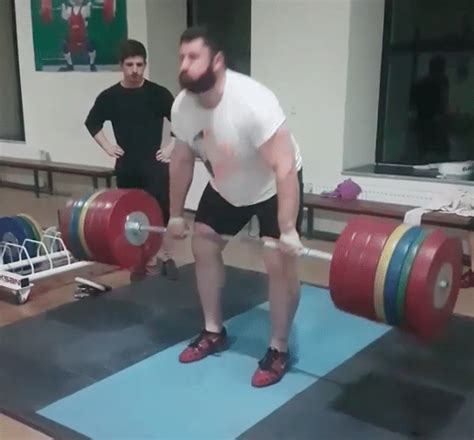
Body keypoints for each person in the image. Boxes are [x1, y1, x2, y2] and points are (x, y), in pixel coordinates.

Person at [167, 26, 304, 388]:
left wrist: (287, 229)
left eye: (193, 57)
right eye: (181, 57)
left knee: (278, 258)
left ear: (217, 61)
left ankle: (278, 348)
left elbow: (285, 167)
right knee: (203, 241)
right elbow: (181, 159)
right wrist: (175, 214)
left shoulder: (253, 102)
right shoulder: (183, 106)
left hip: (272, 185)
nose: (184, 65)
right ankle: (213, 331)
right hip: (227, 185)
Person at [85, 39, 178, 281]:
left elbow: (182, 121)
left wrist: (171, 146)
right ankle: (140, 262)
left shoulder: (158, 94)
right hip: (127, 167)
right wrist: (107, 146)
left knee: (160, 213)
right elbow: (92, 122)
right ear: (121, 66)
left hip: (154, 165)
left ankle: (166, 256)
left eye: (139, 64)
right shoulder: (110, 97)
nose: (135, 70)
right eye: (129, 65)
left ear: (145, 65)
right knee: (131, 216)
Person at [59, 0, 97, 72]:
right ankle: (70, 65)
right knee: (64, 45)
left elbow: (87, 14)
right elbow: (64, 17)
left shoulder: (83, 9)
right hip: (72, 39)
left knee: (91, 45)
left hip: (82, 38)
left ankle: (92, 65)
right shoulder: (69, 10)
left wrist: (89, 6)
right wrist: (63, 7)